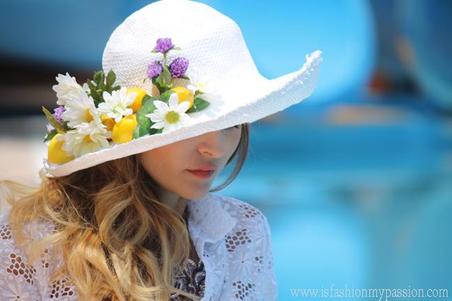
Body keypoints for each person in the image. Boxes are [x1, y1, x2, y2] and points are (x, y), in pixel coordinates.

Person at [0, 0, 322, 300]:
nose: (216, 149)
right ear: (130, 128)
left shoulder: (243, 231)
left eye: (231, 125)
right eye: (189, 129)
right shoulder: (29, 242)